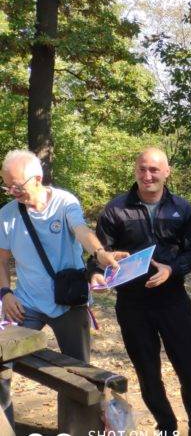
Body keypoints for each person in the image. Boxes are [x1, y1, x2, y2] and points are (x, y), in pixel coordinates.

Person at [90, 147, 191, 436]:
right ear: (135, 170)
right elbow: (98, 255)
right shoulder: (116, 209)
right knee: (148, 373)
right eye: (142, 169)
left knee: (190, 372)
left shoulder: (182, 208)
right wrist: (97, 273)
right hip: (132, 305)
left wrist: (171, 270)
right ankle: (166, 427)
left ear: (167, 172)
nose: (147, 175)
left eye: (154, 169)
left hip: (173, 301)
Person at [0, 149, 120, 425]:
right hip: (26, 304)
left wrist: (100, 253)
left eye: (17, 186)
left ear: (37, 178)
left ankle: (76, 429)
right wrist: (5, 294)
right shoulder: (6, 215)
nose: (13, 192)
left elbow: (81, 230)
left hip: (68, 301)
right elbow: (1, 261)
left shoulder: (65, 202)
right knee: (2, 363)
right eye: (7, 186)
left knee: (79, 374)